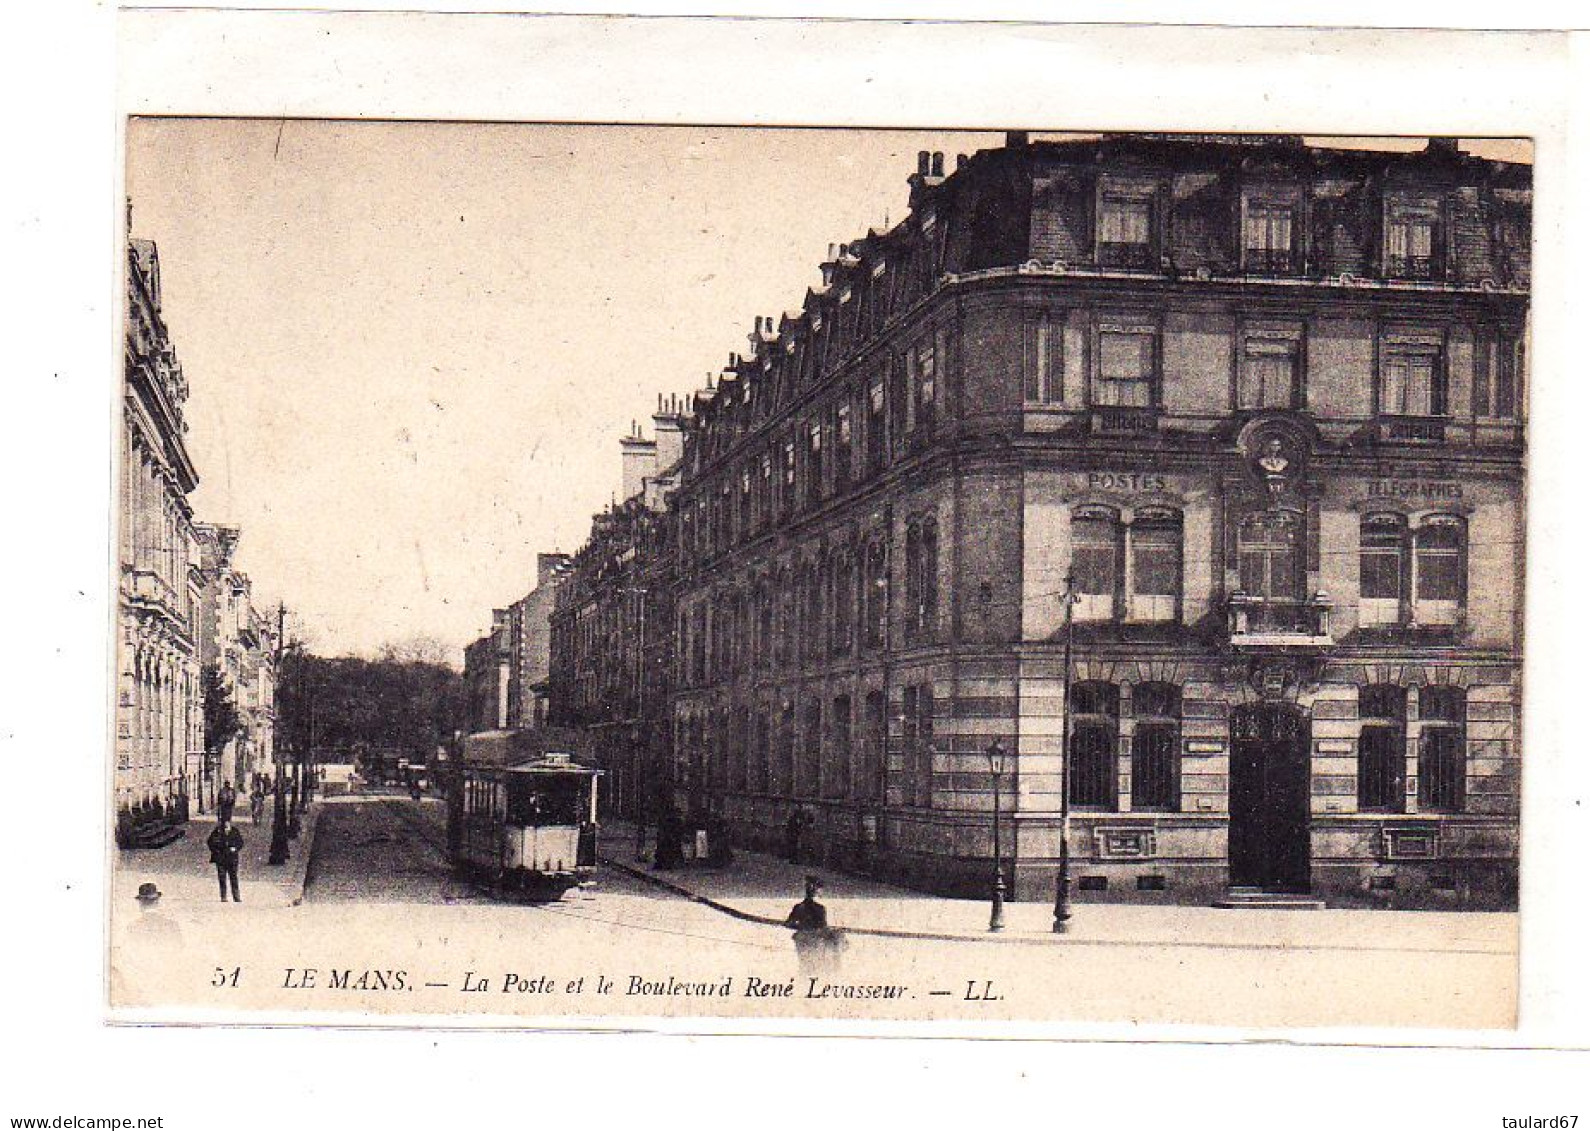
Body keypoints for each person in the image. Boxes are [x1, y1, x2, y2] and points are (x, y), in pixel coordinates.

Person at [785, 875, 844, 975]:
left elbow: (788, 923)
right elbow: (822, 927)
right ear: (816, 892)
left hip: (802, 940)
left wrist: (801, 926)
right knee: (816, 965)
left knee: (805, 965)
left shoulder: (798, 907)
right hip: (814, 941)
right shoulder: (820, 908)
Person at [207, 817, 245, 902]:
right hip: (221, 859)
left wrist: (235, 848)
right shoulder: (217, 832)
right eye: (225, 824)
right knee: (222, 877)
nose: (226, 826)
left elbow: (240, 842)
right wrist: (216, 851)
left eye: (228, 824)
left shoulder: (235, 831)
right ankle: (223, 896)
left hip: (232, 858)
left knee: (233, 877)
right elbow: (210, 842)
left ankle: (236, 896)